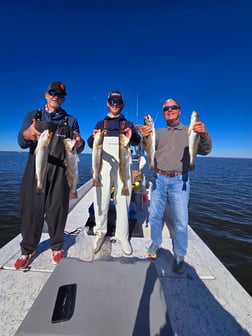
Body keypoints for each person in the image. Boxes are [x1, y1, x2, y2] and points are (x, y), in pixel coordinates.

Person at [14, 81, 85, 269]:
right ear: (46, 95)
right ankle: (28, 249)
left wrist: (79, 142)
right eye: (53, 93)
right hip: (36, 167)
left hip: (61, 170)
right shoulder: (33, 115)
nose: (56, 97)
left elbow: (79, 145)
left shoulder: (71, 121)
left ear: (64, 99)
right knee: (31, 210)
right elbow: (22, 141)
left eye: (60, 95)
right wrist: (28, 134)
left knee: (58, 210)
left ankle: (57, 246)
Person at [140, 98, 212, 273]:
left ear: (179, 111)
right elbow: (148, 148)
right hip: (159, 178)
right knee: (155, 216)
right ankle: (155, 243)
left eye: (173, 107)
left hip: (180, 181)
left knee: (181, 221)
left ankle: (179, 254)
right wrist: (145, 137)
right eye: (166, 108)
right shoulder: (159, 132)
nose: (169, 110)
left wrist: (204, 135)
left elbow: (206, 150)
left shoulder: (190, 131)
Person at [88, 91, 141, 255]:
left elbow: (137, 141)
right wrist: (93, 137)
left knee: (123, 200)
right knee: (100, 200)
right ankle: (100, 232)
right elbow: (91, 144)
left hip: (122, 165)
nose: (115, 104)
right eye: (112, 101)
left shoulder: (129, 124)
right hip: (103, 166)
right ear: (107, 103)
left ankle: (123, 236)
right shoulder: (100, 124)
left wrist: (132, 137)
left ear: (122, 104)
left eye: (118, 102)